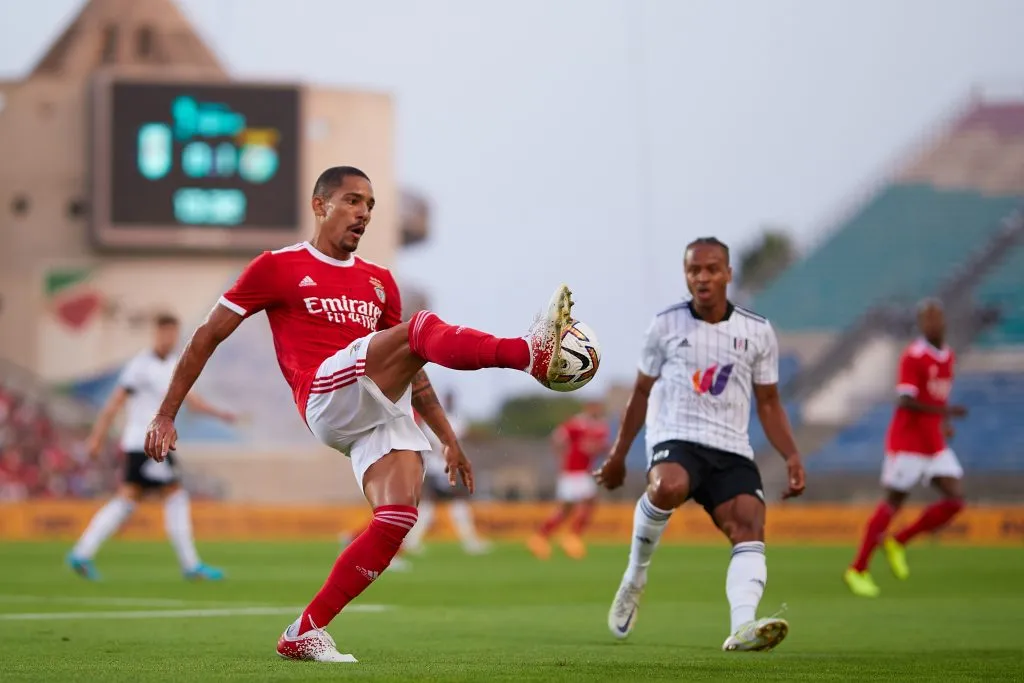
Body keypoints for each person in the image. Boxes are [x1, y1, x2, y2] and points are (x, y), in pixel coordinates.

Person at [143, 166, 576, 663]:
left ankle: (304, 631)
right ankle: (530, 353)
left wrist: (447, 439)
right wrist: (166, 414)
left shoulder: (380, 282)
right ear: (319, 205)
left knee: (397, 518)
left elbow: (411, 367)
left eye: (369, 205)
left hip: (375, 405)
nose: (363, 213)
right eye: (352, 200)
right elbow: (207, 336)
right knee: (423, 326)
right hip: (325, 395)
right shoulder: (276, 267)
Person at [593, 237, 806, 652]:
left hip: (730, 446)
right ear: (686, 275)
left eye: (711, 269)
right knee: (667, 487)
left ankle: (743, 627)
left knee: (750, 523)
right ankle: (635, 576)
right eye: (694, 270)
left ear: (728, 274)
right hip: (677, 434)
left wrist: (792, 454)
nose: (702, 277)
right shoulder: (665, 325)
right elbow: (639, 393)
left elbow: (769, 401)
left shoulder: (757, 332)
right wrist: (619, 455)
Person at [66, 313, 235, 581]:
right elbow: (115, 402)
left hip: (154, 443)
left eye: (173, 333)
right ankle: (190, 566)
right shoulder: (140, 366)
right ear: (156, 333)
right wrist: (97, 437)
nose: (169, 338)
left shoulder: (173, 364)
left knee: (129, 500)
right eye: (164, 333)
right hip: (144, 443)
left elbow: (191, 400)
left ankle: (81, 553)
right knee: (174, 495)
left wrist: (220, 414)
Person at [844, 299, 967, 598]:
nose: (932, 324)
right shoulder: (913, 356)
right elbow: (905, 399)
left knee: (955, 500)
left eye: (936, 319)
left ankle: (899, 540)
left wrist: (942, 423)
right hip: (908, 443)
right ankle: (858, 568)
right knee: (893, 502)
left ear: (944, 322)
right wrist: (944, 413)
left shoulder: (947, 356)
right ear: (921, 324)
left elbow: (936, 397)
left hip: (933, 443)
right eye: (927, 320)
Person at [403, 392, 491, 556]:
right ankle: (412, 542)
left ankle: (470, 541)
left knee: (459, 506)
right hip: (436, 469)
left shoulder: (457, 420)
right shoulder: (432, 422)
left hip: (451, 469)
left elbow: (459, 442)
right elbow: (432, 443)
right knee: (427, 508)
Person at [527, 399, 609, 560]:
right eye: (594, 406)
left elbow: (600, 448)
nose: (596, 410)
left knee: (567, 508)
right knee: (585, 501)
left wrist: (598, 449)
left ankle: (541, 536)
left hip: (583, 471)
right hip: (572, 471)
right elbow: (557, 438)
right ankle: (571, 537)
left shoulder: (600, 427)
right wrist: (562, 457)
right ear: (587, 407)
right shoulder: (577, 424)